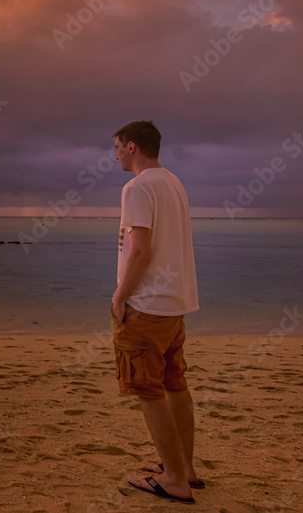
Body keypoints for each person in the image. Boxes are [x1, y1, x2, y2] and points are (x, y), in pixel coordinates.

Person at [110, 120, 201, 504]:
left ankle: (175, 480)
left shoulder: (138, 186)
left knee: (147, 391)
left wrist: (119, 298)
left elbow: (141, 251)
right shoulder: (172, 182)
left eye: (116, 147)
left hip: (146, 305)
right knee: (174, 384)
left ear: (132, 147)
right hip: (175, 303)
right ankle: (185, 469)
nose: (114, 154)